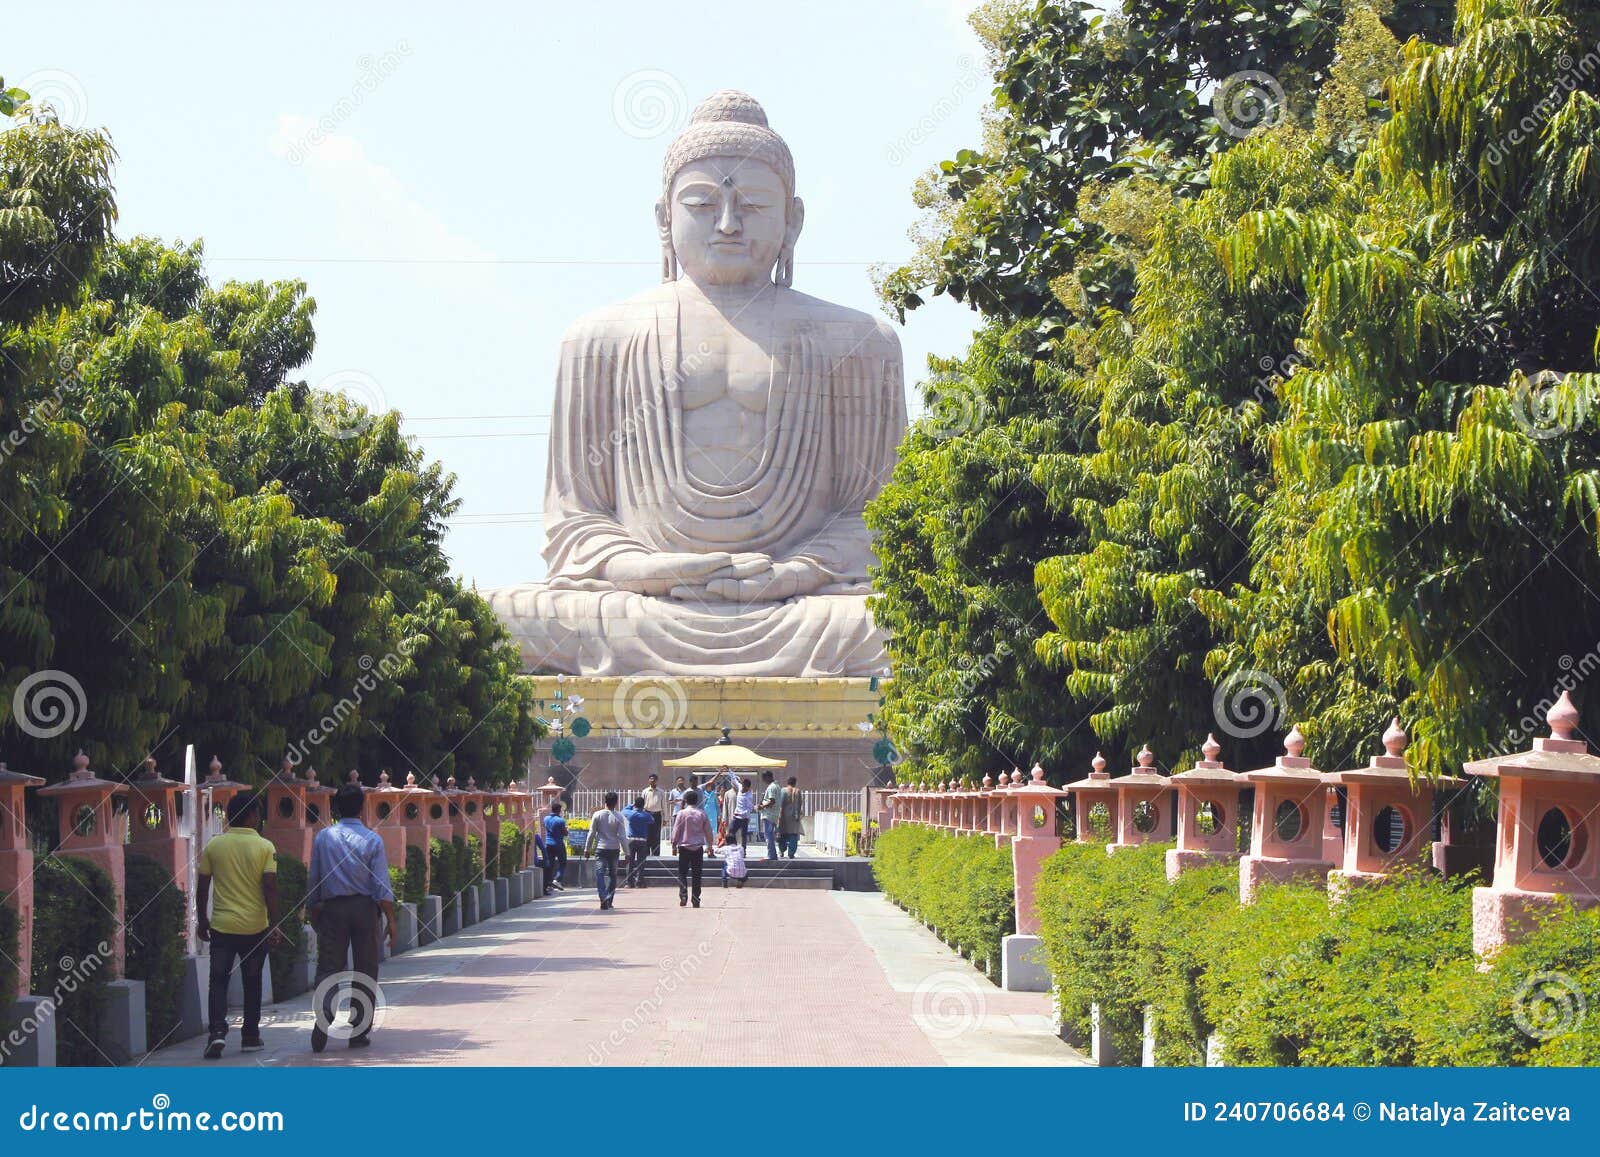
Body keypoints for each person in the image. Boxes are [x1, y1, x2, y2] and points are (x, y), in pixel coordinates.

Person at [307, 783, 397, 1052]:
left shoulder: (323, 838)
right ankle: (358, 1030)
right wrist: (391, 919)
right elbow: (381, 885)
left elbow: (315, 878)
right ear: (362, 808)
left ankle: (325, 1012)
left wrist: (313, 910)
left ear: (336, 808)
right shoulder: (372, 840)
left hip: (332, 909)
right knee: (365, 968)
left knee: (329, 966)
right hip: (364, 909)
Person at [196, 793, 282, 1060]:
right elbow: (270, 887)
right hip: (255, 927)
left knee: (218, 981)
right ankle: (251, 1036)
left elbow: (202, 887)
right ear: (251, 815)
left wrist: (203, 920)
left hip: (222, 926)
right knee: (252, 981)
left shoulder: (214, 845)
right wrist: (275, 924)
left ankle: (217, 1033)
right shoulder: (265, 847)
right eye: (257, 812)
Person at [670, 788, 714, 908]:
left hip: (684, 847)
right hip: (698, 848)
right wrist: (710, 846)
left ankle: (683, 895)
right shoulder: (702, 814)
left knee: (682, 873)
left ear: (685, 801)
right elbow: (708, 831)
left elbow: (676, 829)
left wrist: (674, 844)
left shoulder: (681, 813)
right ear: (696, 801)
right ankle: (695, 899)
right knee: (697, 874)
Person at [587, 791, 629, 909]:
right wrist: (627, 852)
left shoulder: (597, 815)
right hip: (614, 848)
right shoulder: (619, 816)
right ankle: (609, 900)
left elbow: (592, 833)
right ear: (616, 803)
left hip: (601, 848)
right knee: (612, 874)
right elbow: (622, 836)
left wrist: (587, 849)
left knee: (599, 873)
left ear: (605, 801)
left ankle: (603, 897)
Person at [622, 795, 654, 888]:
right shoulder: (646, 815)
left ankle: (629, 883)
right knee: (641, 862)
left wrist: (632, 805)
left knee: (630, 862)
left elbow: (623, 810)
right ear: (643, 805)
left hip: (631, 840)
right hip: (642, 841)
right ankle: (639, 882)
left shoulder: (630, 814)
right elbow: (652, 821)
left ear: (635, 804)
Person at [542, 802, 569, 892]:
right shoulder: (560, 820)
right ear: (559, 810)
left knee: (550, 864)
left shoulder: (546, 818)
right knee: (563, 862)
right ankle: (557, 879)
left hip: (548, 844)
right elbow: (565, 833)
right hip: (558, 844)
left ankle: (548, 884)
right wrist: (567, 830)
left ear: (552, 809)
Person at [758, 769, 782, 860]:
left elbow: (772, 801)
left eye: (764, 778)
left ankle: (771, 855)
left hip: (769, 815)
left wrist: (762, 806)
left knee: (768, 835)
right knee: (770, 835)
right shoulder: (777, 786)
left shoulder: (772, 787)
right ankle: (772, 854)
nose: (763, 781)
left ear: (768, 777)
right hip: (773, 814)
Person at [642, 773, 666, 855]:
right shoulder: (645, 791)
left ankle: (656, 855)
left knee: (656, 836)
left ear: (657, 781)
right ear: (649, 780)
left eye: (654, 779)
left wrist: (665, 819)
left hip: (657, 816)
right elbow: (642, 804)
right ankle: (646, 855)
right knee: (647, 835)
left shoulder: (661, 792)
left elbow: (664, 805)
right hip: (647, 815)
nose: (652, 780)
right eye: (651, 779)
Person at [779, 776, 803, 859]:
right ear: (795, 783)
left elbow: (780, 804)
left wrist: (779, 816)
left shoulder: (783, 790)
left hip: (784, 816)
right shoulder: (798, 791)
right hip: (794, 817)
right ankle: (791, 853)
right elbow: (800, 804)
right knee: (793, 835)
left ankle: (782, 850)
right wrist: (798, 815)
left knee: (782, 834)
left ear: (787, 782)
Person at [727, 776, 755, 847]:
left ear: (748, 788)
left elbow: (749, 809)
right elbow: (734, 779)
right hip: (736, 817)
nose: (743, 788)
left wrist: (741, 813)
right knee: (731, 832)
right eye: (743, 786)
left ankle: (743, 850)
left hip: (744, 818)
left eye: (745, 787)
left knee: (743, 835)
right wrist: (729, 771)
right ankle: (733, 847)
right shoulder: (740, 787)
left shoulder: (749, 796)